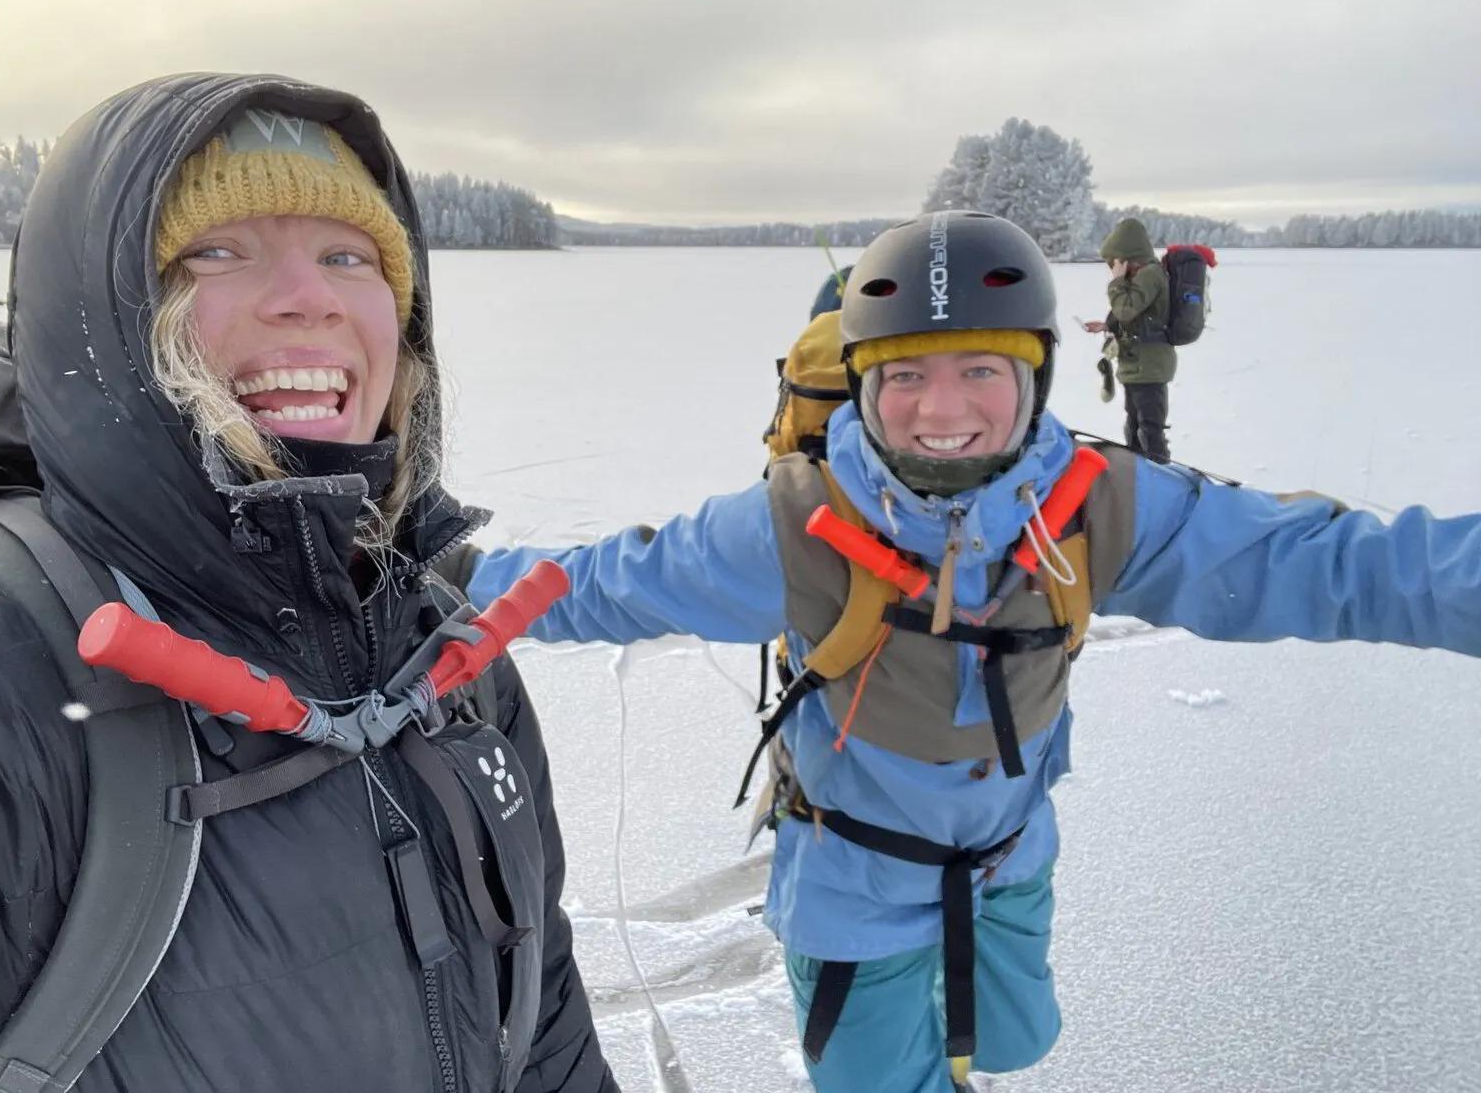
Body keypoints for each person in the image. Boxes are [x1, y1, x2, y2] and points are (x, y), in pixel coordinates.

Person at [448, 211, 1481, 1092]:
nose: (942, 411)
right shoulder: (794, 521)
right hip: (851, 886)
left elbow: (1338, 564)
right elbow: (601, 584)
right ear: (858, 382)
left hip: (1008, 859)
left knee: (1011, 1041)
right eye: (904, 373)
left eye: (981, 368)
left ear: (1032, 375)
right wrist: (431, 590)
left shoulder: (1101, 506)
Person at [0, 74, 616, 1093]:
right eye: (214, 253)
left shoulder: (443, 651)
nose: (307, 297)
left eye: (347, 255)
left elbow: (539, 1006)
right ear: (103, 319)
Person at [1082, 216, 1172, 461]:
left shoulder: (1150, 274)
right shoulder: (1142, 276)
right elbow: (1134, 315)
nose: (1112, 267)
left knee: (1150, 431)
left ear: (1127, 257)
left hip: (1149, 365)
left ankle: (1160, 478)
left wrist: (1117, 282)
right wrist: (1106, 325)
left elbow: (1126, 309)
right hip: (1137, 364)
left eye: (1115, 262)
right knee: (1134, 428)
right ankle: (1139, 475)